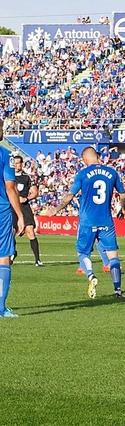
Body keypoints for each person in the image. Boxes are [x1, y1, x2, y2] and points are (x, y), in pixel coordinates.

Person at [50, 147, 125, 299]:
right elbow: (123, 195)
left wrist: (56, 209)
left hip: (87, 221)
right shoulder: (112, 173)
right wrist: (122, 209)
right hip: (106, 221)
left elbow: (69, 197)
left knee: (82, 252)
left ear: (85, 159)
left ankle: (91, 276)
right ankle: (118, 290)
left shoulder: (83, 174)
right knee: (113, 257)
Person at [0, 123, 25, 318]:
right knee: (4, 257)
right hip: (1, 212)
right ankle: (0, 308)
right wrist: (20, 215)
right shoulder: (5, 154)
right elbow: (10, 187)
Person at [13, 156, 43, 266]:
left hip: (24, 207)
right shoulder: (8, 176)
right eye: (15, 163)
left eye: (18, 163)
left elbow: (35, 192)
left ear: (22, 164)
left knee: (30, 231)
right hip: (11, 207)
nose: (16, 166)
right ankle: (12, 252)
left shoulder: (27, 177)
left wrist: (26, 198)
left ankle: (37, 260)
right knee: (11, 232)